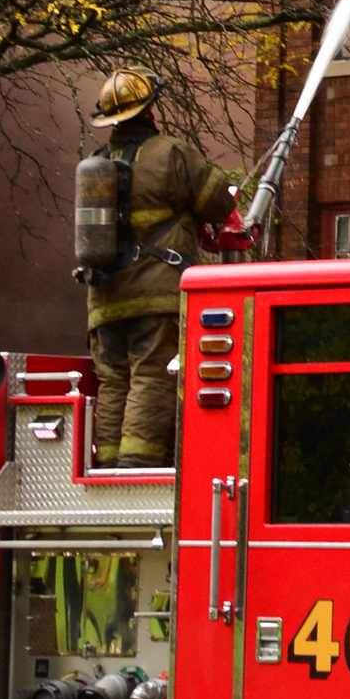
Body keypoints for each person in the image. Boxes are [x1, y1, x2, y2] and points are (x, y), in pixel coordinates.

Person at [80, 71, 235, 469]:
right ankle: (135, 469)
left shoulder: (97, 164)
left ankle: (108, 466)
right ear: (149, 110)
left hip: (103, 299)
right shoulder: (170, 153)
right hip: (155, 293)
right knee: (151, 374)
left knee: (114, 381)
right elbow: (218, 202)